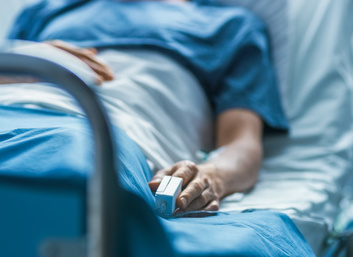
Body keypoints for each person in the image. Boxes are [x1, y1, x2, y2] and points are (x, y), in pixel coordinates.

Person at [5, 0, 288, 214]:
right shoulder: (47, 10)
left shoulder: (230, 26)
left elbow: (242, 144)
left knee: (64, 185)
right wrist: (29, 58)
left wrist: (211, 176)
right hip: (11, 111)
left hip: (104, 131)